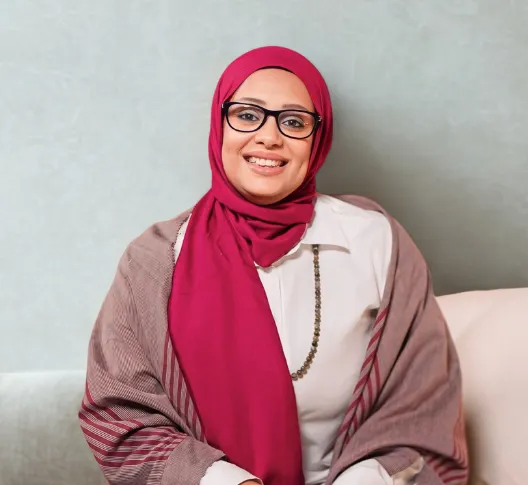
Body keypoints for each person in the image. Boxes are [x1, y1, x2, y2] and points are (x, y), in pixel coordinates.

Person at [79, 46, 468, 485]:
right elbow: (120, 413)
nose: (269, 137)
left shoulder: (377, 243)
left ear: (318, 138)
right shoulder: (154, 261)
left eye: (294, 122)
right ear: (219, 125)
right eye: (247, 115)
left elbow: (422, 406)